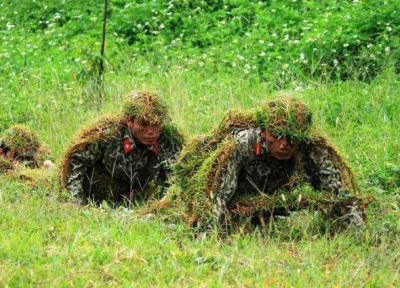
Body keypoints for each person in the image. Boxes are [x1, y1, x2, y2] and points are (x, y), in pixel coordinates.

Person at [156, 97, 369, 231]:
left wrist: (357, 230)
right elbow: (216, 196)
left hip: (273, 201)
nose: (286, 144)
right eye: (278, 135)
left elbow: (335, 193)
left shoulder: (310, 147)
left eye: (292, 137)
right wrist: (209, 234)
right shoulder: (242, 145)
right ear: (264, 132)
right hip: (236, 203)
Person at [60, 90, 184, 205]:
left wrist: (164, 204)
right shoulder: (107, 135)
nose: (151, 131)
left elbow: (175, 177)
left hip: (137, 196)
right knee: (47, 180)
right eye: (143, 124)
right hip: (99, 194)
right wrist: (75, 201)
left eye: (156, 124)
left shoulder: (168, 141)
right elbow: (75, 160)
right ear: (129, 121)